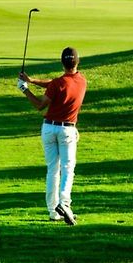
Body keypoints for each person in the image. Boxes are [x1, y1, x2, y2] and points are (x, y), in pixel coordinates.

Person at [17, 47, 87, 225]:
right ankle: (64, 204)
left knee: (53, 170)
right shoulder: (81, 81)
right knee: (68, 168)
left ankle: (53, 211)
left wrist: (25, 89)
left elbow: (41, 105)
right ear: (77, 62)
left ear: (62, 63)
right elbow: (55, 84)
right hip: (67, 130)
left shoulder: (57, 83)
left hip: (48, 129)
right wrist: (32, 81)